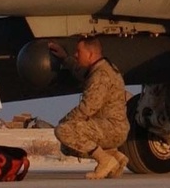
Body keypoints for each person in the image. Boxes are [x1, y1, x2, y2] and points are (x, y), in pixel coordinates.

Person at [48, 36, 130, 179]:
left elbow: (88, 108)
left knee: (64, 131)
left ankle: (104, 160)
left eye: (79, 52)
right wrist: (65, 58)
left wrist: (65, 121)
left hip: (111, 128)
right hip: (115, 127)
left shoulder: (100, 75)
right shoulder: (104, 68)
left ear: (91, 54)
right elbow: (81, 73)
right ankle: (115, 157)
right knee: (67, 144)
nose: (76, 54)